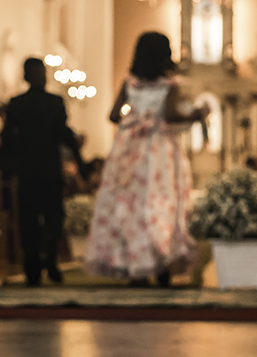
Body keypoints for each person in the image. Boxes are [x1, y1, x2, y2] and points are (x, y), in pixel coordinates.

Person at [85, 31, 208, 287]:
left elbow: (113, 115)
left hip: (129, 149)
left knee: (129, 205)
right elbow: (172, 114)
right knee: (160, 203)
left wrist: (135, 119)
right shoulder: (170, 85)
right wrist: (197, 114)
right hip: (158, 150)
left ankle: (134, 264)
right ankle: (160, 262)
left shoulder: (129, 83)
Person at [0, 57, 84, 286]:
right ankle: (46, 257)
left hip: (28, 171)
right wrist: (80, 161)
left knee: (30, 221)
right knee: (51, 218)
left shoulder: (17, 104)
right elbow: (64, 134)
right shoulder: (54, 102)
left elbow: (7, 139)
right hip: (47, 170)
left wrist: (4, 164)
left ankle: (33, 266)